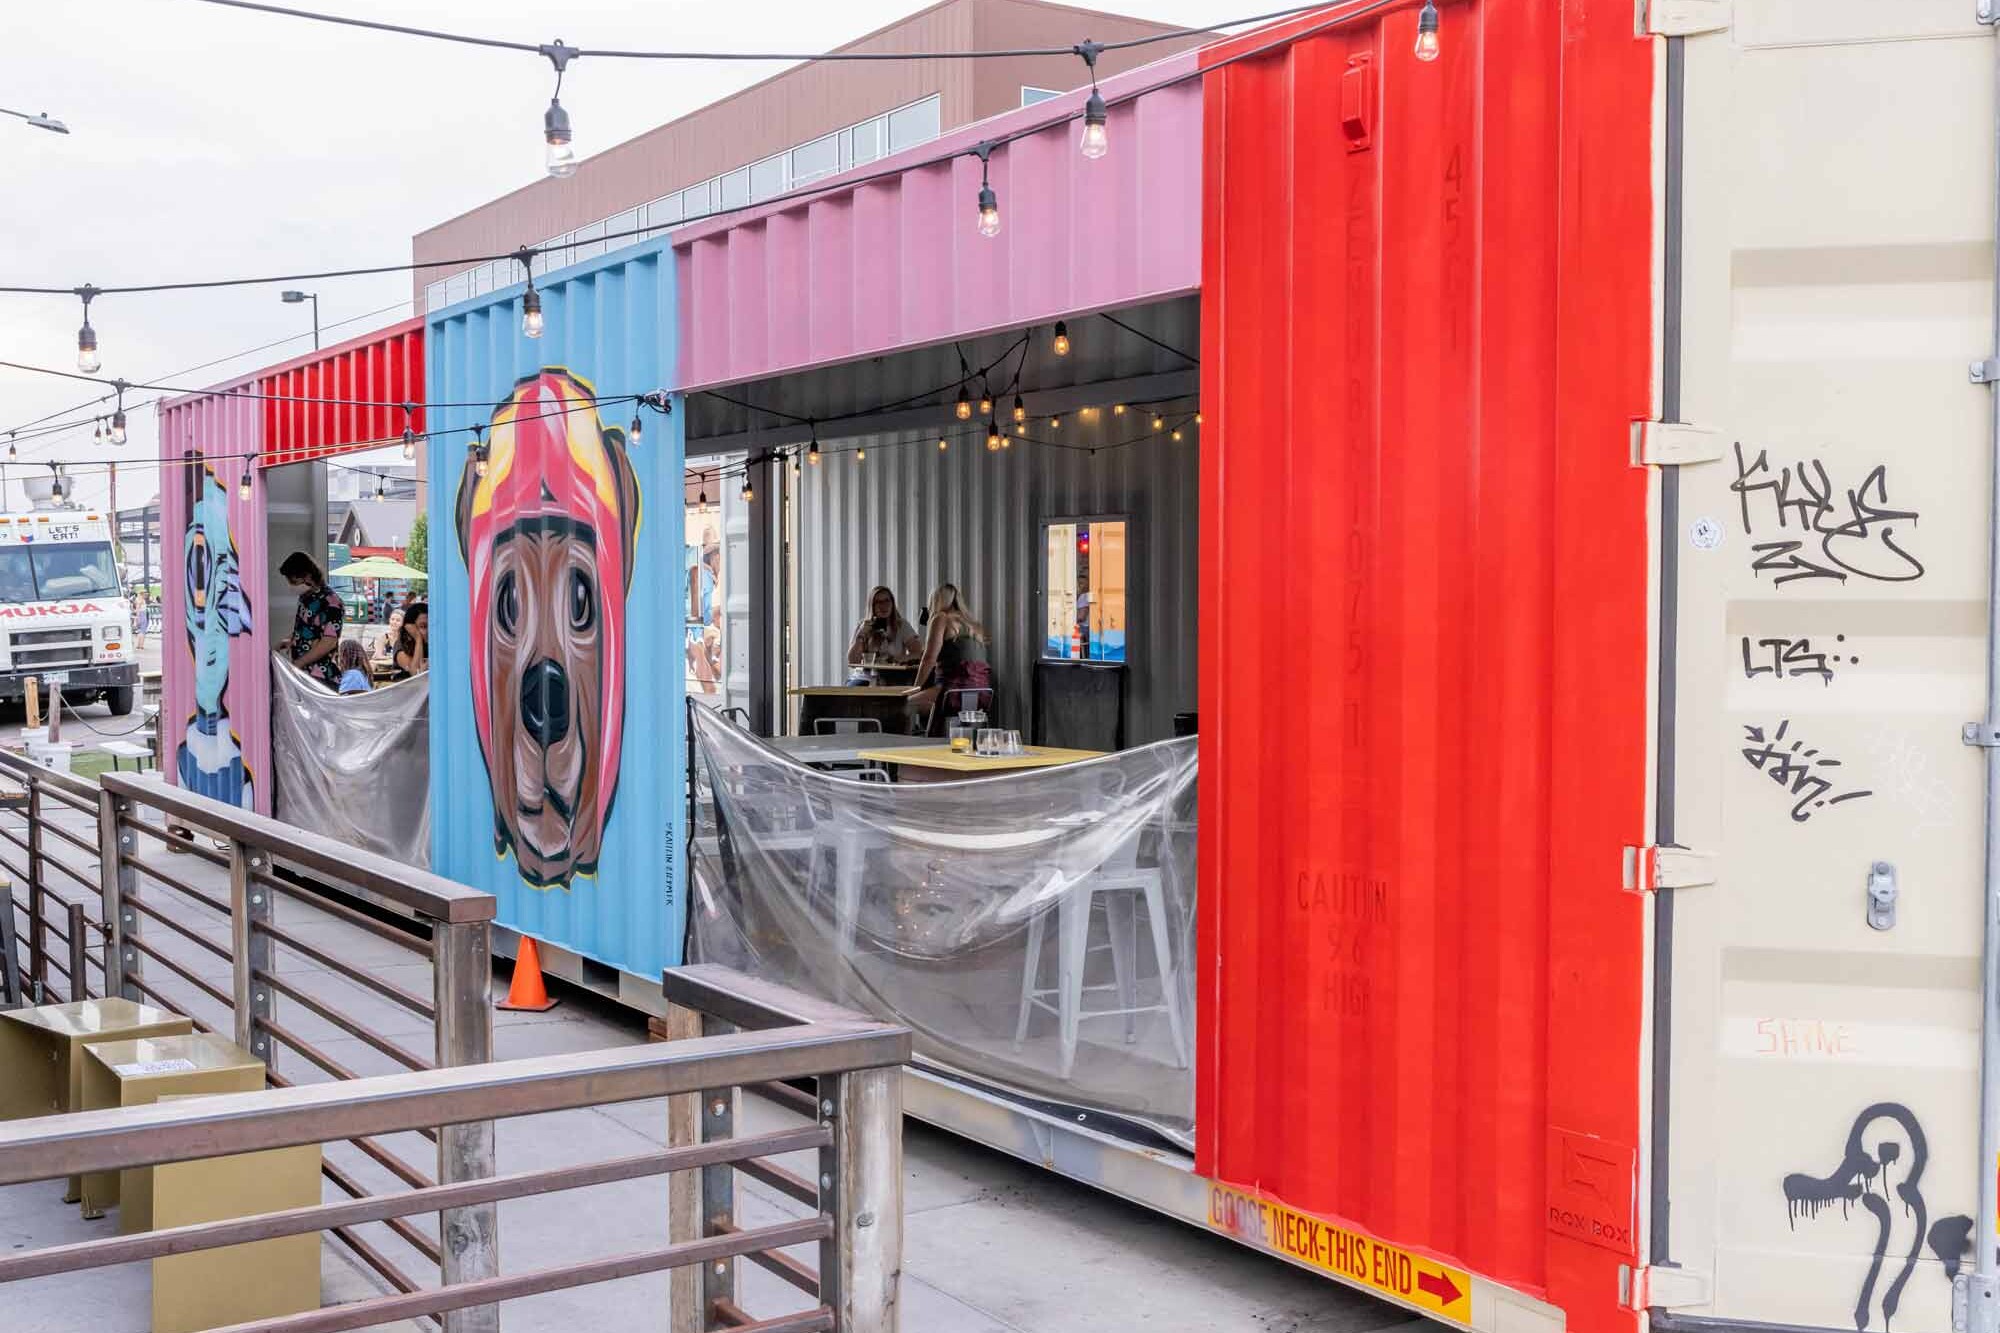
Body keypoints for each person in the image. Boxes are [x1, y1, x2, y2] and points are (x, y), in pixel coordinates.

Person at [912, 583, 992, 733]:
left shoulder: (940, 618)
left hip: (952, 693)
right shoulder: (973, 625)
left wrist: (914, 688)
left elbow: (929, 658)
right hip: (982, 694)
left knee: (905, 705)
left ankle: (905, 750)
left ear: (935, 600)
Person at [280, 552, 345, 689]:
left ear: (308, 576)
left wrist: (300, 663)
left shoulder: (331, 602)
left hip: (321, 678)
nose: (290, 586)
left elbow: (328, 641)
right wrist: (288, 641)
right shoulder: (306, 598)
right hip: (303, 675)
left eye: (293, 581)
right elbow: (307, 629)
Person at [846, 586, 922, 682]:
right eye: (878, 602)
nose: (883, 606)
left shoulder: (901, 625)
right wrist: (861, 635)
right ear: (872, 606)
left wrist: (899, 659)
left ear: (892, 603)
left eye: (887, 601)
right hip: (865, 676)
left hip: (893, 675)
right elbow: (853, 661)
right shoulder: (864, 625)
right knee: (854, 690)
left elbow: (919, 653)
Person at [391, 601, 428, 679]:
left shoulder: (433, 643)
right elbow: (416, 672)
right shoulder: (400, 645)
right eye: (423, 626)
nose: (428, 631)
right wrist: (418, 639)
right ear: (410, 628)